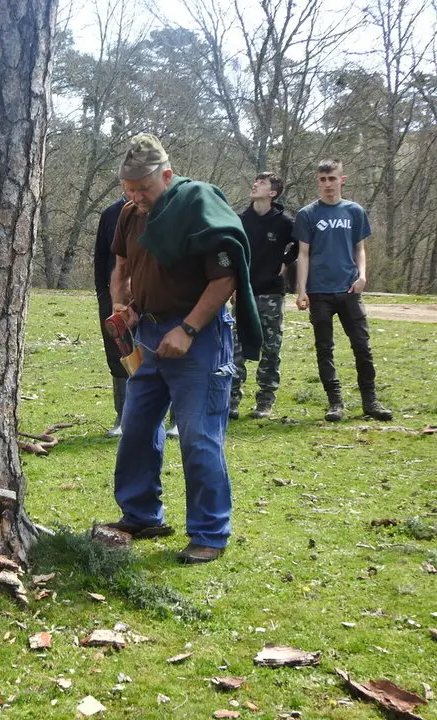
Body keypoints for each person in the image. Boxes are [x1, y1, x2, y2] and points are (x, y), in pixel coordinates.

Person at [107, 133, 261, 564]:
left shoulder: (198, 206)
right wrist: (124, 305)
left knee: (198, 436)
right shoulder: (129, 215)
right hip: (149, 337)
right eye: (130, 189)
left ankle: (210, 532)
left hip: (201, 340)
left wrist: (189, 330)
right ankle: (140, 515)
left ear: (168, 176)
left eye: (146, 189)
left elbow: (225, 279)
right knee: (135, 428)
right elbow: (120, 267)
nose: (137, 197)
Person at [294, 159, 392, 422]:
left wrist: (362, 275)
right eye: (323, 180)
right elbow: (303, 254)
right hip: (318, 291)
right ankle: (335, 403)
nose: (327, 184)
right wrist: (301, 290)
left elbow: (360, 248)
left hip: (349, 289)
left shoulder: (354, 211)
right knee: (324, 348)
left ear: (342, 180)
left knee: (362, 346)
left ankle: (370, 402)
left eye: (332, 179)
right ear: (318, 182)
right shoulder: (307, 214)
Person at [95, 197, 178, 439]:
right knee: (120, 353)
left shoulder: (171, 208)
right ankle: (123, 416)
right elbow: (103, 259)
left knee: (164, 353)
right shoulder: (112, 213)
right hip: (117, 297)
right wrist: (106, 295)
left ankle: (176, 419)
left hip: (155, 298)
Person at [229, 172, 297, 420]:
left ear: (273, 193)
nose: (255, 184)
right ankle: (232, 401)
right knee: (236, 348)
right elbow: (230, 253)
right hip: (243, 293)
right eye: (255, 181)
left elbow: (301, 245)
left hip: (271, 293)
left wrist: (286, 261)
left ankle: (265, 402)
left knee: (271, 348)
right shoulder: (240, 220)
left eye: (263, 183)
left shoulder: (284, 222)